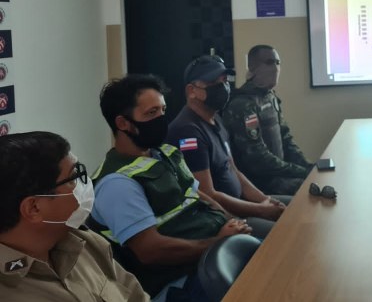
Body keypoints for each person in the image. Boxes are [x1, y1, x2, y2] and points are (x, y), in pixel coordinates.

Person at [91, 74, 252, 300]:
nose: (161, 119)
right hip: (180, 280)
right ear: (123, 123)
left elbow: (199, 195)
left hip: (215, 252)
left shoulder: (165, 153)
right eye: (151, 113)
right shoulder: (117, 183)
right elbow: (151, 251)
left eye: (162, 110)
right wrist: (218, 242)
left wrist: (233, 222)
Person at [0, 131, 148, 301]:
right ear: (34, 208)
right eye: (72, 178)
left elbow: (135, 296)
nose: (83, 185)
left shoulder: (83, 242)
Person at [166, 55, 287, 228]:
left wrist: (266, 200)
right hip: (221, 219)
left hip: (241, 206)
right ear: (191, 91)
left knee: (292, 208)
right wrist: (261, 210)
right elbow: (207, 194)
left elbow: (233, 170)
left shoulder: (215, 118)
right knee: (284, 229)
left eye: (224, 80)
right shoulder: (188, 132)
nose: (223, 87)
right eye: (213, 82)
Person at [222, 45, 313, 196]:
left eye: (278, 63)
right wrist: (301, 171)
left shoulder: (270, 97)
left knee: (318, 183)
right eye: (270, 62)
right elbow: (258, 158)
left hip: (279, 176)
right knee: (311, 192)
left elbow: (286, 138)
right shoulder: (243, 104)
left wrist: (308, 166)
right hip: (260, 185)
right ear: (252, 67)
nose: (276, 68)